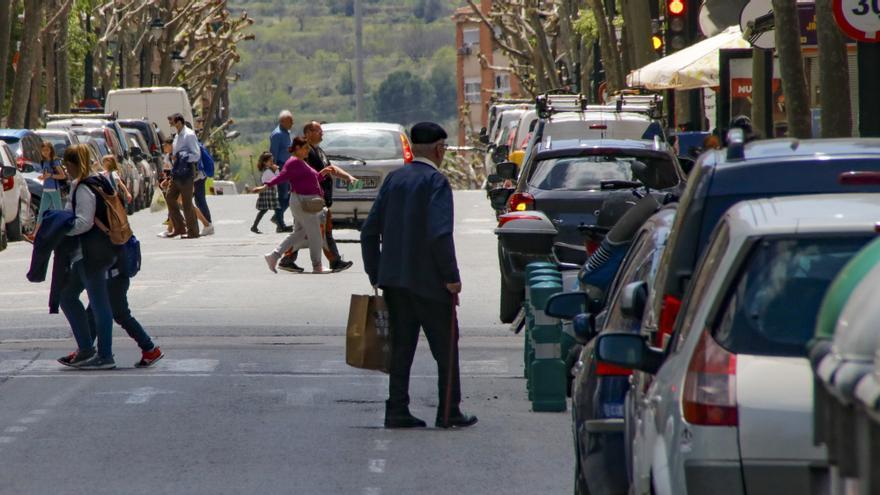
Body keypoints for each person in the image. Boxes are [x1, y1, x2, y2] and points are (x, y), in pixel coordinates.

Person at [361, 122, 477, 429]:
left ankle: (396, 410)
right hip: (430, 283)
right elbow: (440, 234)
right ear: (439, 149)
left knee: (401, 348)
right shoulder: (436, 182)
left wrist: (376, 272)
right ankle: (448, 411)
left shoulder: (394, 180)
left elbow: (368, 232)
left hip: (395, 282)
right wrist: (451, 277)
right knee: (446, 348)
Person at [55, 144, 118, 370]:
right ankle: (86, 349)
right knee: (67, 295)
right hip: (99, 251)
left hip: (91, 254)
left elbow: (84, 222)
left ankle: (105, 354)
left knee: (99, 304)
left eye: (66, 165)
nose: (65, 169)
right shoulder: (100, 180)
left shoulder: (82, 187)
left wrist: (60, 230)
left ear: (72, 164)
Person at [278, 121, 356, 273]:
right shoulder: (306, 153)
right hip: (310, 201)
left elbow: (329, 168)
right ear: (307, 133)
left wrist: (348, 177)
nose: (322, 133)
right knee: (320, 232)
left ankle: (288, 259)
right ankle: (334, 261)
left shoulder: (318, 151)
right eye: (318, 130)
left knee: (308, 233)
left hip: (317, 200)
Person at [258, 137, 331, 274]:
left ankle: (274, 256)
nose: (307, 151)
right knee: (315, 234)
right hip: (303, 202)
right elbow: (282, 176)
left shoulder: (301, 162)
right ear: (297, 148)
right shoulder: (293, 162)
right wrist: (266, 186)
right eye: (305, 148)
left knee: (299, 233)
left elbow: (315, 177)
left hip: (303, 202)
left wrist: (325, 173)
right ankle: (317, 266)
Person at [164, 113, 200, 239]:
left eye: (172, 121)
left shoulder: (189, 135)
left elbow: (196, 155)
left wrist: (182, 158)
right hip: (176, 172)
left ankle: (193, 232)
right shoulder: (177, 135)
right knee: (169, 197)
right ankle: (179, 228)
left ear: (179, 122)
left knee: (187, 203)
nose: (170, 124)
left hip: (186, 172)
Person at [30, 141, 67, 241]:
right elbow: (47, 175)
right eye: (43, 150)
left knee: (58, 210)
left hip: (54, 189)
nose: (45, 152)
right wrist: (43, 177)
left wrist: (50, 176)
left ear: (51, 150)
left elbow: (62, 175)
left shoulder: (54, 162)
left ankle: (63, 232)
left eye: (47, 150)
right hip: (46, 189)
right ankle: (35, 234)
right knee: (42, 211)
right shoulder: (43, 162)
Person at [269, 110, 295, 233]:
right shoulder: (277, 134)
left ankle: (277, 218)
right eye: (290, 121)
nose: (292, 123)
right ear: (283, 121)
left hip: (289, 168)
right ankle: (280, 224)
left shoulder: (286, 133)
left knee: (290, 195)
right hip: (281, 168)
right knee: (283, 196)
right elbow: (272, 154)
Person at [190, 123, 214, 236]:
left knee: (199, 201)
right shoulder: (196, 143)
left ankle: (208, 224)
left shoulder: (193, 145)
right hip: (199, 176)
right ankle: (207, 224)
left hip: (197, 177)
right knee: (198, 201)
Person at [252, 152, 279, 234]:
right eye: (270, 161)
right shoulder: (267, 171)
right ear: (265, 162)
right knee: (276, 208)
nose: (272, 162)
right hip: (268, 191)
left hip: (268, 191)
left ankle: (254, 226)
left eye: (272, 160)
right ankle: (278, 222)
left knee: (267, 209)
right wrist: (277, 170)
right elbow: (277, 179)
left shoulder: (267, 170)